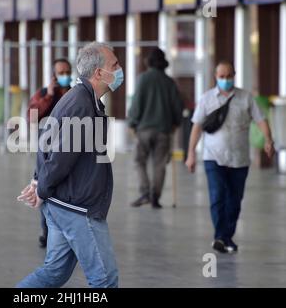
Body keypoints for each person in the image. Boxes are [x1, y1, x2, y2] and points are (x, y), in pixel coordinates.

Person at [16, 42, 122, 288]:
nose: (119, 70)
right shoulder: (81, 104)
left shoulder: (84, 99)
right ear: (98, 73)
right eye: (114, 65)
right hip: (76, 208)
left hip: (65, 203)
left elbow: (47, 141)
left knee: (53, 273)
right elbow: (62, 156)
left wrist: (38, 181)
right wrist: (41, 188)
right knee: (105, 280)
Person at [185, 61, 275, 253]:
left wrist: (268, 139)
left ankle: (227, 237)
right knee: (217, 196)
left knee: (234, 200)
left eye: (229, 76)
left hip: (239, 159)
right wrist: (191, 153)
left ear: (234, 75)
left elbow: (261, 120)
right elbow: (197, 127)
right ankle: (219, 236)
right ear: (215, 77)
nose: (225, 80)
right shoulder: (207, 99)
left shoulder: (246, 98)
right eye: (222, 76)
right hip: (213, 157)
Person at [25, 58, 72, 248]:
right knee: (46, 188)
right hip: (47, 152)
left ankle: (66, 232)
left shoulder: (75, 93)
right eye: (60, 73)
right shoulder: (44, 94)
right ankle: (46, 230)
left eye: (67, 72)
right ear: (53, 76)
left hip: (70, 150)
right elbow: (32, 117)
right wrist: (49, 95)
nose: (64, 76)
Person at [128, 47, 183, 209]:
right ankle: (155, 197)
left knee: (139, 161)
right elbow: (177, 107)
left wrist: (132, 122)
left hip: (144, 129)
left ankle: (145, 192)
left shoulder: (143, 79)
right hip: (164, 130)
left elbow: (136, 103)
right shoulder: (170, 82)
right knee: (159, 164)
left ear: (148, 62)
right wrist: (175, 124)